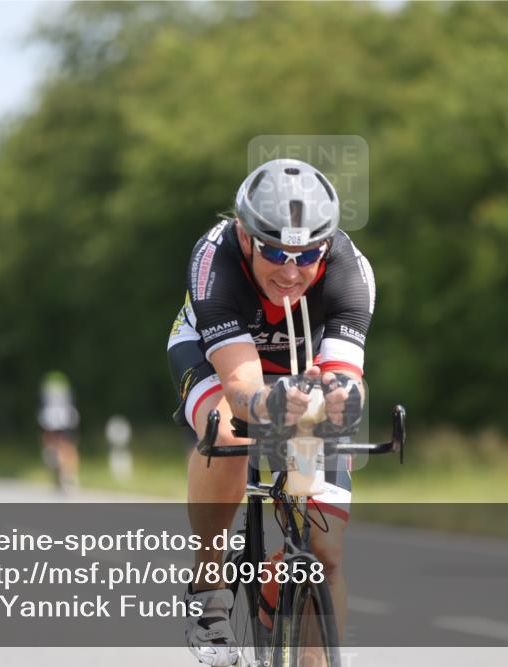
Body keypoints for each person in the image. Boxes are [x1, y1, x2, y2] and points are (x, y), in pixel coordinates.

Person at [167, 158, 375, 666]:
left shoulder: (350, 271)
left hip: (303, 362)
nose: (290, 271)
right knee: (231, 433)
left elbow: (347, 378)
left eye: (307, 256)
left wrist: (344, 400)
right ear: (245, 236)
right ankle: (208, 587)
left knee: (325, 553)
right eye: (275, 251)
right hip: (218, 359)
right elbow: (242, 388)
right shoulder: (215, 260)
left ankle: (284, 600)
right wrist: (269, 405)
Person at [37, 371, 80, 492]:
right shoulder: (66, 396)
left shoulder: (47, 398)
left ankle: (64, 475)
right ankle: (68, 475)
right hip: (64, 421)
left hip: (52, 421)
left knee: (54, 448)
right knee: (68, 448)